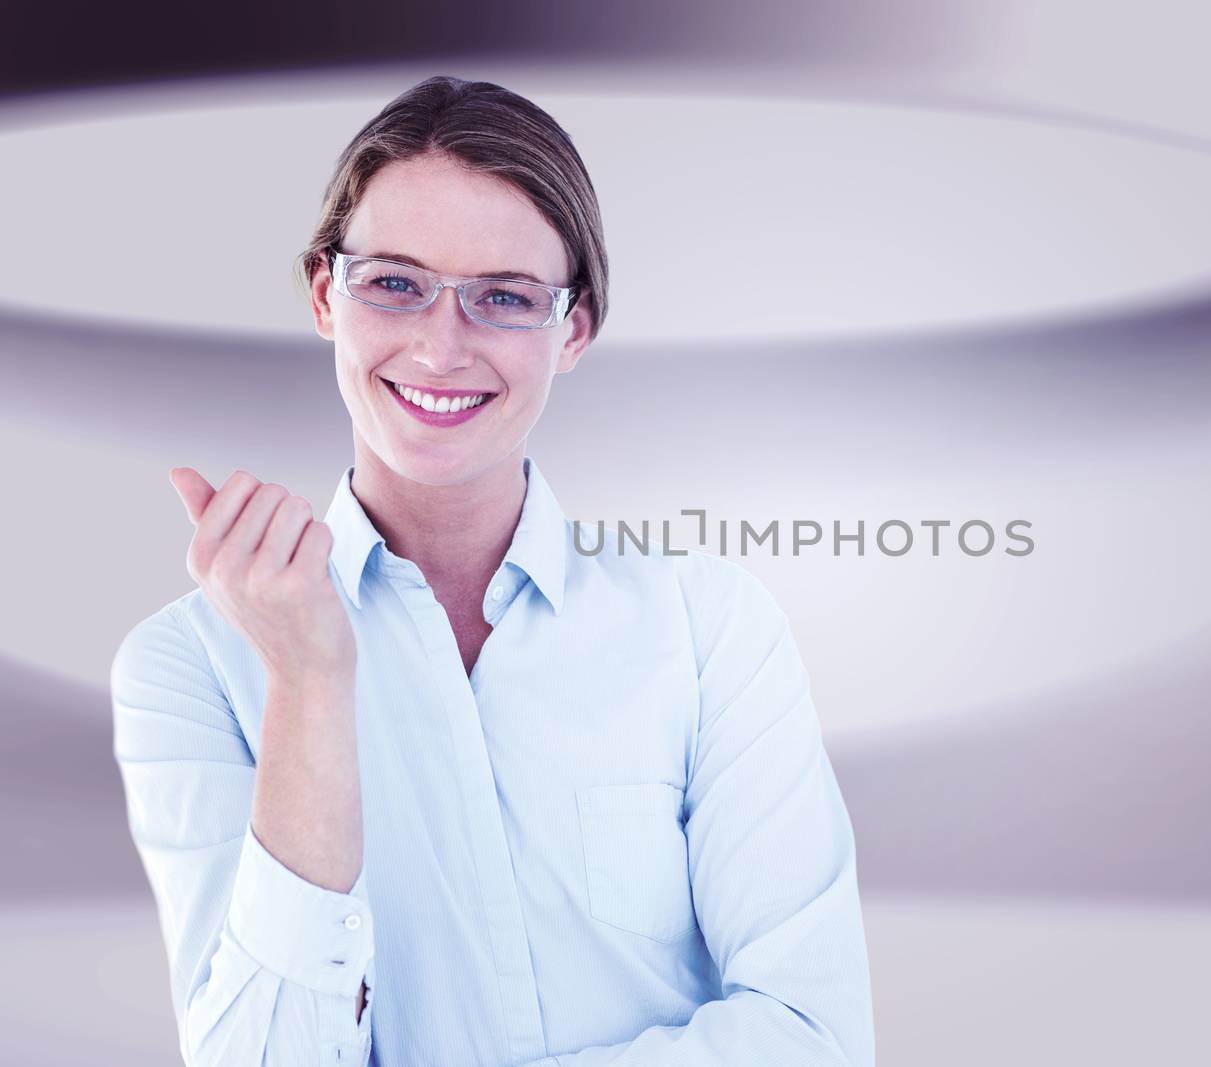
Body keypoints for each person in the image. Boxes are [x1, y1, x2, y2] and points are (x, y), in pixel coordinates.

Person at [109, 74, 875, 1067]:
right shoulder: (190, 664)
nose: (440, 343)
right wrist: (307, 681)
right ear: (322, 296)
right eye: (393, 281)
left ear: (575, 331)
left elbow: (812, 1035)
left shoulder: (704, 626)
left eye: (504, 298)